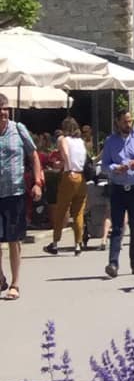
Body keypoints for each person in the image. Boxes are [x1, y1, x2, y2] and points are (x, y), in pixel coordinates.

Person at [100, 106, 134, 280]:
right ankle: (113, 263)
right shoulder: (110, 141)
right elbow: (104, 165)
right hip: (117, 188)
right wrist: (116, 168)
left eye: (130, 121)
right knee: (117, 227)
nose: (128, 124)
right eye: (125, 121)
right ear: (117, 122)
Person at [0, 100, 43, 300]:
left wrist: (37, 182)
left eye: (5, 109)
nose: (3, 113)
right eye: (0, 109)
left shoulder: (18, 129)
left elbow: (33, 155)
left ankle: (15, 283)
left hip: (15, 192)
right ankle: (1, 277)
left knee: (13, 239)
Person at [44, 117, 89, 254]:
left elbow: (66, 154)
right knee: (78, 211)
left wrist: (65, 166)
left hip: (69, 176)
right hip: (81, 177)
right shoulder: (81, 142)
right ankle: (78, 243)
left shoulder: (63, 139)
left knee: (61, 209)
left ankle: (56, 242)